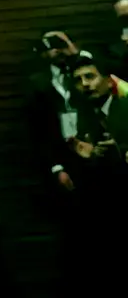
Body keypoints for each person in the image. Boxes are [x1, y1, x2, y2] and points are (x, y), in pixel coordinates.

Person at [53, 54, 128, 289]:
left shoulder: (126, 107)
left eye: (90, 77)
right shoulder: (73, 117)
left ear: (107, 80)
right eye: (78, 80)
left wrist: (119, 151)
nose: (85, 84)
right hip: (95, 212)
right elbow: (65, 158)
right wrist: (82, 158)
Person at [25, 31, 89, 192]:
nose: (57, 50)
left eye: (59, 45)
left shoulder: (83, 73)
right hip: (61, 155)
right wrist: (56, 166)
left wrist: (70, 47)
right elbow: (38, 130)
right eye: (51, 46)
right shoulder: (37, 83)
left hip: (92, 150)